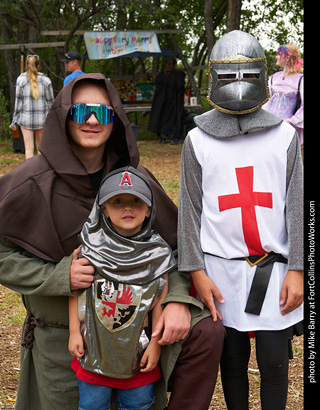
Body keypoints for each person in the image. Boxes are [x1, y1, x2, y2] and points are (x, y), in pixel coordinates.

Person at [0, 73, 225, 410]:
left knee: (207, 332)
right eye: (80, 112)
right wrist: (59, 276)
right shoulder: (29, 181)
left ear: (115, 120)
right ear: (63, 116)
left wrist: (177, 298)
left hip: (137, 328)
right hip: (65, 336)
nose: (92, 120)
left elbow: (178, 246)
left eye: (103, 113)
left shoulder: (133, 180)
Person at [178, 31, 303, 410]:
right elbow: (189, 211)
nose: (238, 85)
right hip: (220, 272)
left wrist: (298, 267)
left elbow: (298, 207)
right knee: (231, 362)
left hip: (276, 271)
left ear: (261, 76)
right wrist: (196, 271)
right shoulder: (197, 140)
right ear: (215, 78)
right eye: (229, 76)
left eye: (246, 75)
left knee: (273, 362)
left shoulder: (283, 135)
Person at [69, 166, 176, 410]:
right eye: (117, 201)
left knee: (137, 405)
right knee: (92, 405)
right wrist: (75, 332)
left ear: (149, 208)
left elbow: (160, 300)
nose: (128, 208)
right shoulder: (90, 248)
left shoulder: (158, 253)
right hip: (93, 349)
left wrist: (156, 345)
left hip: (138, 354)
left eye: (136, 201)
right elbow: (78, 292)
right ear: (103, 209)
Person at [9, 55, 54, 159]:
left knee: (28, 148)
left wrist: (14, 120)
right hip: (42, 120)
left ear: (26, 66)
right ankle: (41, 173)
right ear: (38, 66)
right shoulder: (46, 80)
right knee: (41, 149)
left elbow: (18, 103)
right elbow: (51, 103)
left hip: (26, 120)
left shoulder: (20, 80)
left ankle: (30, 174)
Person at [263, 44, 304, 147]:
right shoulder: (274, 78)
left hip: (286, 129)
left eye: (278, 54)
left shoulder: (300, 80)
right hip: (269, 126)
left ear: (287, 58)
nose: (276, 57)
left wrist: (291, 121)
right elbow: (266, 102)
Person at [148, 58, 185, 144]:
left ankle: (163, 137)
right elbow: (180, 88)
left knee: (163, 119)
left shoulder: (161, 76)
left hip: (162, 103)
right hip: (174, 103)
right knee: (174, 119)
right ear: (175, 65)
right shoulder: (178, 75)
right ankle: (173, 137)